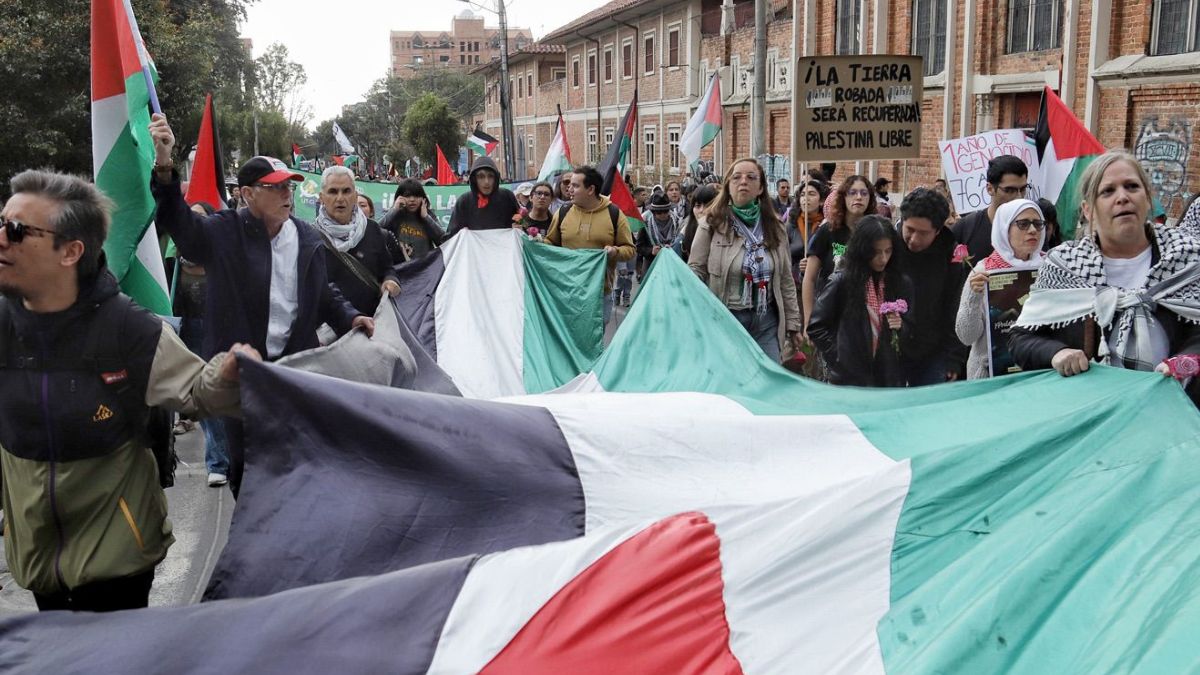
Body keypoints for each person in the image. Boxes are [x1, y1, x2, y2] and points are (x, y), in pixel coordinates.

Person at [0, 169, 259, 611]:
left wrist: (232, 372)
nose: (2, 238)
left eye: (17, 230)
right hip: (35, 560)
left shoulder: (127, 328)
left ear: (71, 252)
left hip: (116, 562)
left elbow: (199, 390)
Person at [149, 113, 372, 497]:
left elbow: (322, 294)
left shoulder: (306, 236)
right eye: (274, 188)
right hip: (241, 375)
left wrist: (352, 318)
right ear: (248, 194)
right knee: (248, 469)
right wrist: (165, 164)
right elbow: (179, 222)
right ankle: (254, 539)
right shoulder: (223, 232)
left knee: (298, 462)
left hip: (294, 370)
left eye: (289, 187)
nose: (286, 195)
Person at [1010, 151, 1200, 405]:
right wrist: (1057, 353)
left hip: (1174, 416)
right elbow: (1021, 339)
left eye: (1132, 186)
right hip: (1092, 416)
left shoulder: (1187, 258)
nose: (1123, 197)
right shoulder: (1065, 265)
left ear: (1147, 199)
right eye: (1108, 191)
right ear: (1088, 210)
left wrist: (1188, 360)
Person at [688, 157, 803, 361]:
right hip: (726, 319)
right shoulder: (711, 223)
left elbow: (785, 278)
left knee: (768, 381)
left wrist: (793, 324)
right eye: (737, 177)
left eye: (751, 177)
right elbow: (695, 271)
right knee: (733, 386)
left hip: (766, 320)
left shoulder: (775, 227)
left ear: (760, 189)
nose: (744, 181)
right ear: (728, 187)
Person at [807, 215, 913, 387]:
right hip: (849, 379)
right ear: (863, 250)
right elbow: (816, 326)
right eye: (876, 252)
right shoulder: (842, 281)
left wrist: (901, 327)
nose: (883, 258)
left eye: (888, 251)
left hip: (887, 377)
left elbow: (911, 329)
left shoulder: (900, 282)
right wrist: (839, 357)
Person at [955, 199, 1047, 380]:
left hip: (1038, 375)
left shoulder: (1050, 268)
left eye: (1038, 223)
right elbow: (966, 336)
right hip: (990, 377)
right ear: (1005, 228)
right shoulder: (983, 272)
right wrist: (974, 297)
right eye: (1023, 224)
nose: (1032, 230)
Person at [545, 165, 636, 326]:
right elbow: (550, 244)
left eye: (575, 185)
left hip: (599, 292)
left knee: (594, 342)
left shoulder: (614, 214)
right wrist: (535, 243)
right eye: (569, 185)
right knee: (569, 340)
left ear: (590, 189)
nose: (569, 189)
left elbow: (629, 250)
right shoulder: (563, 212)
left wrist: (615, 251)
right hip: (567, 290)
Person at [896, 187, 968, 385]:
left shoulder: (951, 255)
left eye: (923, 233)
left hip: (934, 351)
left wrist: (954, 358)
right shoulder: (886, 245)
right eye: (909, 230)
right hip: (892, 348)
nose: (914, 239)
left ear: (937, 231)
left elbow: (955, 307)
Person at [313, 166, 401, 316]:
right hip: (329, 332)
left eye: (346, 191)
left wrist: (390, 281)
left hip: (371, 327)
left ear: (355, 196)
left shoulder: (372, 229)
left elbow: (387, 268)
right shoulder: (310, 237)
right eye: (333, 191)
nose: (340, 198)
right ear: (322, 198)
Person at [802, 175, 876, 332]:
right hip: (830, 313)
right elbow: (809, 279)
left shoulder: (876, 232)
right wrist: (809, 319)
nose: (858, 197)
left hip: (865, 314)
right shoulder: (828, 231)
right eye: (852, 192)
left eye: (864, 193)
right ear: (843, 197)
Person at [951, 155, 1029, 263]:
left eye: (1023, 189)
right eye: (1010, 190)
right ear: (990, 188)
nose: (1019, 197)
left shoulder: (1033, 229)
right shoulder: (966, 228)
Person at [447, 156, 521, 235]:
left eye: (490, 176)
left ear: (496, 178)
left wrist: (520, 228)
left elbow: (524, 225)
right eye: (481, 177)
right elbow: (452, 237)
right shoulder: (464, 201)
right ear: (474, 179)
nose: (486, 182)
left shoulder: (507, 197)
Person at [379, 178, 446, 263]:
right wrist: (394, 210)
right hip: (398, 269)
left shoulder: (429, 215)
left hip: (425, 269)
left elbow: (443, 240)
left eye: (416, 196)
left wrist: (426, 217)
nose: (412, 200)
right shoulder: (392, 215)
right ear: (399, 197)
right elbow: (376, 231)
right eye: (407, 196)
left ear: (423, 198)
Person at [788, 179, 829, 286]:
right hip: (793, 286)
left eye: (811, 194)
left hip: (820, 286)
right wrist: (797, 267)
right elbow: (781, 259)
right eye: (802, 194)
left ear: (821, 201)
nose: (806, 198)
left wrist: (814, 265)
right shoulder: (790, 226)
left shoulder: (826, 226)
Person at [637, 193, 682, 265]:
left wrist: (674, 246)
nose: (663, 215)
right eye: (659, 212)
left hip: (672, 262)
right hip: (652, 262)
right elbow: (639, 246)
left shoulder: (677, 221)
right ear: (653, 212)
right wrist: (651, 251)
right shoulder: (646, 222)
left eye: (665, 211)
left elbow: (682, 243)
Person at [681, 184, 718, 262]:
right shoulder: (683, 235)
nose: (702, 210)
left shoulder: (724, 232)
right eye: (698, 206)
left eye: (707, 206)